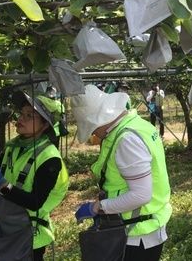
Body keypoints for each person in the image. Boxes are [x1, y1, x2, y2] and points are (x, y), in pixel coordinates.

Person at [71, 85, 172, 261]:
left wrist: (98, 207)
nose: (93, 133)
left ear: (100, 120)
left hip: (136, 234)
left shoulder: (127, 140)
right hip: (141, 226)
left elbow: (140, 195)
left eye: (92, 127)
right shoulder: (136, 124)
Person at [0, 91, 68, 261]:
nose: (21, 119)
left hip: (29, 235)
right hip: (7, 227)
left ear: (45, 125)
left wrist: (1, 183)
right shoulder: (13, 147)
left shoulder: (50, 159)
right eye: (21, 114)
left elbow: (35, 202)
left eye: (29, 116)